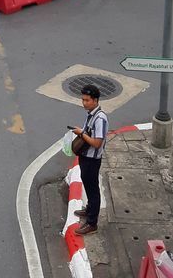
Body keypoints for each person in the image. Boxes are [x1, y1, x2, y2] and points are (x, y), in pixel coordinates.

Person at [71, 83, 108, 237]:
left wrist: (81, 133)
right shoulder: (91, 114)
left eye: (87, 100)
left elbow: (97, 143)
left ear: (95, 100)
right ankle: (89, 210)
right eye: (83, 100)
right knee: (88, 185)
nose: (84, 103)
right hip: (86, 157)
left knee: (93, 191)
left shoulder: (100, 118)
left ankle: (92, 223)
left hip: (92, 160)